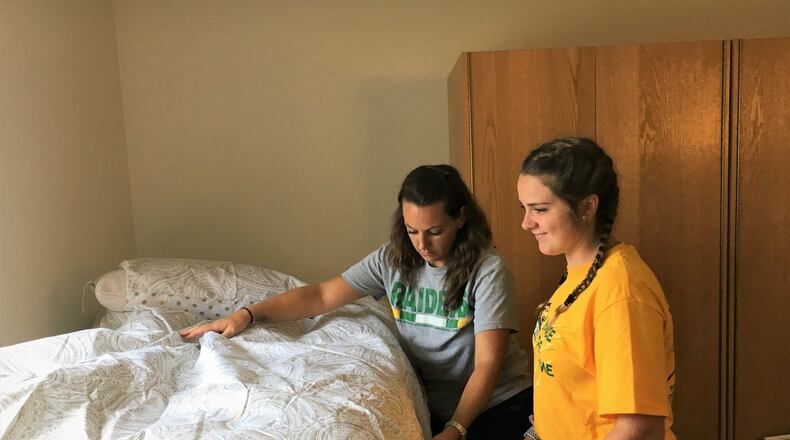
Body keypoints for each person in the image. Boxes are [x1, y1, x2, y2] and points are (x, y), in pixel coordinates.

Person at [181, 164, 532, 439]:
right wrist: (248, 315)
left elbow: (487, 365)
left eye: (435, 231)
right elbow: (321, 296)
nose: (422, 244)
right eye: (412, 231)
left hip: (498, 403)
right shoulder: (392, 260)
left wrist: (456, 428)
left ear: (460, 218)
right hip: (437, 407)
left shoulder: (488, 269)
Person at [517, 137, 675, 440]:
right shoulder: (581, 274)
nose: (526, 223)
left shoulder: (622, 292)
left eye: (539, 209)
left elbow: (640, 429)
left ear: (587, 206)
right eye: (523, 208)